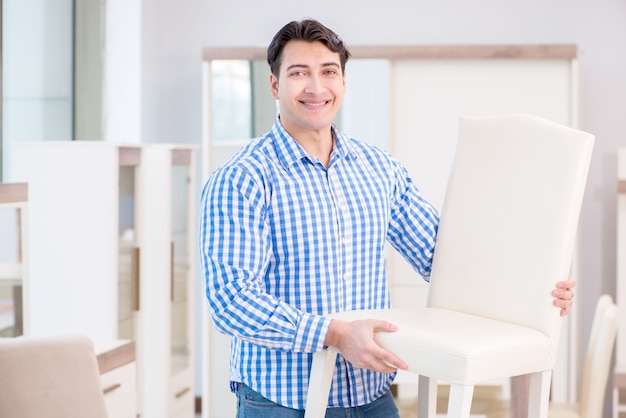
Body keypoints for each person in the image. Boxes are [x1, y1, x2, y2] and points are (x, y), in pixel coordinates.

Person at [199, 18, 576, 418]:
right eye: (298, 74)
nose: (315, 87)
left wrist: (535, 287)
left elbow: (444, 259)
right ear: (275, 85)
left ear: (343, 82)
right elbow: (231, 301)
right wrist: (334, 334)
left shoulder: (379, 169)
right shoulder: (241, 180)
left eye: (328, 72)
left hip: (371, 396)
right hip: (281, 400)